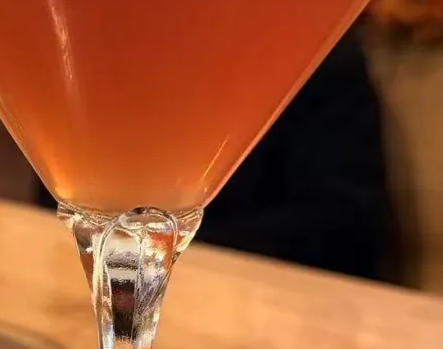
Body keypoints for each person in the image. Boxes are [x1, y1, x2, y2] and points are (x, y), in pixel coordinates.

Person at [37, 29, 400, 282]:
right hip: (88, 296)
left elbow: (343, 229)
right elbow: (57, 198)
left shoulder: (318, 47)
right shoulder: (105, 45)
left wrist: (147, 251)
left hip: (276, 314)